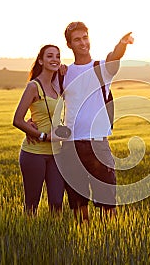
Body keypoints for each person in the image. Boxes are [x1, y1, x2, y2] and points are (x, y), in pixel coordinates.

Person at [57, 22, 134, 222]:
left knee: (107, 196)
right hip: (71, 145)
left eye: (85, 37)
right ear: (69, 45)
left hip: (98, 143)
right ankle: (86, 238)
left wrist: (122, 44)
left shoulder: (102, 68)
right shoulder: (63, 73)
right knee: (77, 200)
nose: (83, 43)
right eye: (77, 39)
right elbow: (47, 100)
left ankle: (109, 239)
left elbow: (114, 56)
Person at [13, 45, 65, 215]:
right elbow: (17, 120)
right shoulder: (33, 86)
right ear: (41, 60)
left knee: (57, 202)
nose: (54, 59)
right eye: (49, 56)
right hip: (34, 152)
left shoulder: (57, 86)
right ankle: (28, 238)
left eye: (57, 56)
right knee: (32, 205)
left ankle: (55, 238)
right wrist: (42, 136)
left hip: (57, 153)